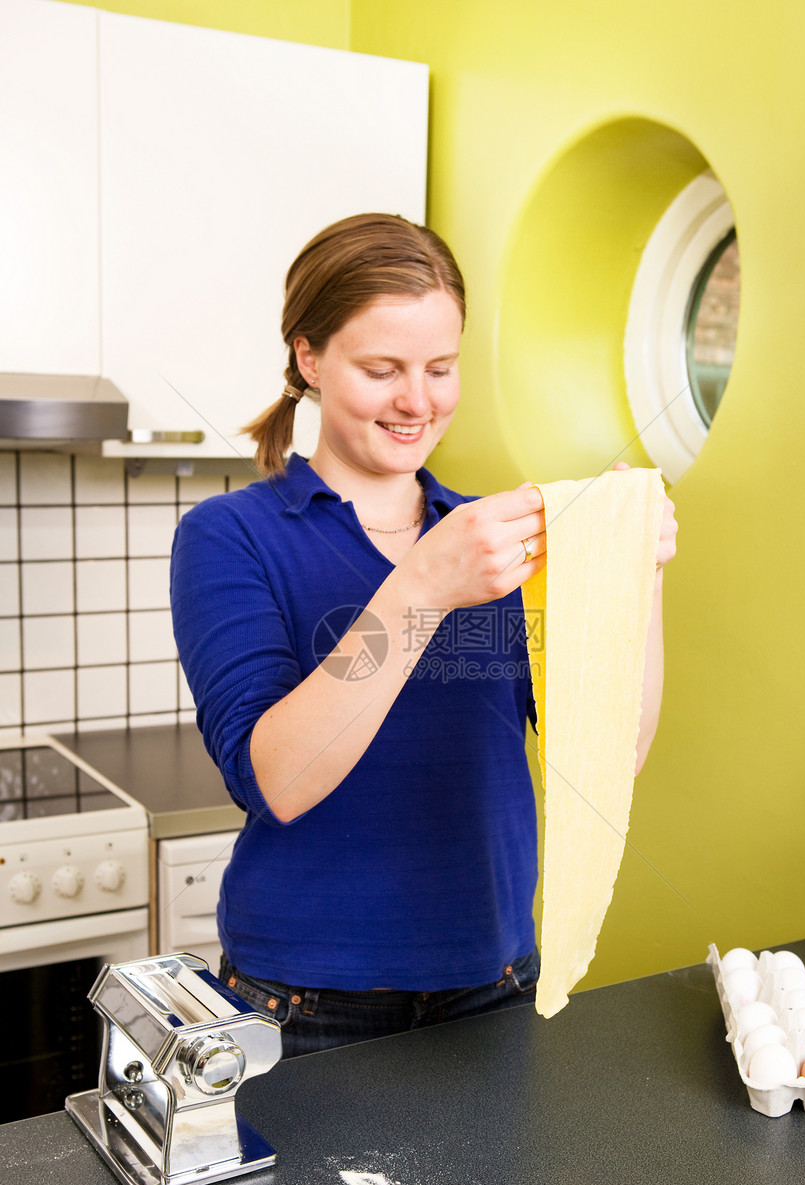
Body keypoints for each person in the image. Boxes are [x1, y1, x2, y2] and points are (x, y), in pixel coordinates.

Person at [170, 212, 677, 1058]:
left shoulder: (491, 536)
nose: (418, 400)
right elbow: (279, 780)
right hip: (302, 1002)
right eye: (382, 369)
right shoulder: (231, 536)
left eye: (441, 368)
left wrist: (635, 580)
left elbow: (610, 752)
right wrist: (423, 588)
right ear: (308, 359)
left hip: (495, 982)